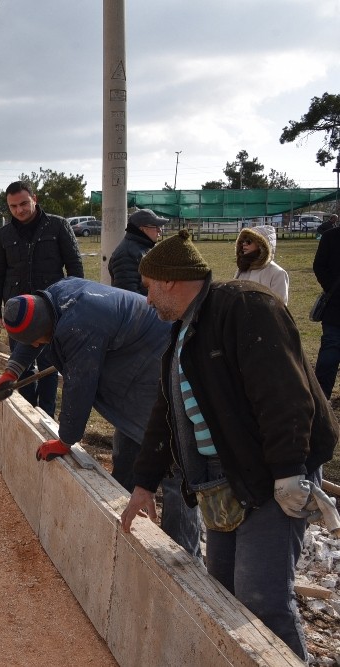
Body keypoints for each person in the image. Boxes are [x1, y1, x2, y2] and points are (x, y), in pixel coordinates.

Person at [120, 230, 337, 661]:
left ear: (168, 282)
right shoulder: (183, 332)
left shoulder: (244, 309)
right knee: (223, 594)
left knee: (262, 597)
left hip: (272, 476)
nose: (146, 300)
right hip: (225, 481)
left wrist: (290, 471)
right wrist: (144, 483)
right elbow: (166, 411)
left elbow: (284, 394)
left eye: (148, 289)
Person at [0, 277, 201, 556]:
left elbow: (80, 386)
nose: (39, 343)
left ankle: (183, 551)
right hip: (132, 352)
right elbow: (33, 332)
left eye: (41, 338)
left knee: (169, 452)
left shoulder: (80, 324)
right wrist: (12, 370)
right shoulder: (51, 299)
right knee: (129, 439)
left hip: (160, 356)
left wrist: (65, 441)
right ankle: (121, 515)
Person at [0, 181, 83, 416]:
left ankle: (46, 414)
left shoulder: (58, 226)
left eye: (23, 203)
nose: (20, 210)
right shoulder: (4, 235)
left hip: (51, 310)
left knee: (50, 365)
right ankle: (27, 411)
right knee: (22, 365)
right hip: (17, 312)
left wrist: (73, 306)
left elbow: (75, 268)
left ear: (34, 199)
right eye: (13, 206)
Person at [107, 208, 166, 294]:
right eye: (155, 226)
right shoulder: (126, 254)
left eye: (160, 226)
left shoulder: (145, 246)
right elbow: (129, 297)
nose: (159, 230)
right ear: (142, 229)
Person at [313, 224, 340, 398]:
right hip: (336, 308)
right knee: (330, 353)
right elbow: (319, 266)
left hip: (334, 305)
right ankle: (321, 398)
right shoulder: (331, 237)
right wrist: (333, 289)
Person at [233, 224, 289, 304]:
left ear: (261, 245)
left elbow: (279, 308)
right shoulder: (243, 269)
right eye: (242, 241)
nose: (244, 244)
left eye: (249, 241)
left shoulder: (278, 273)